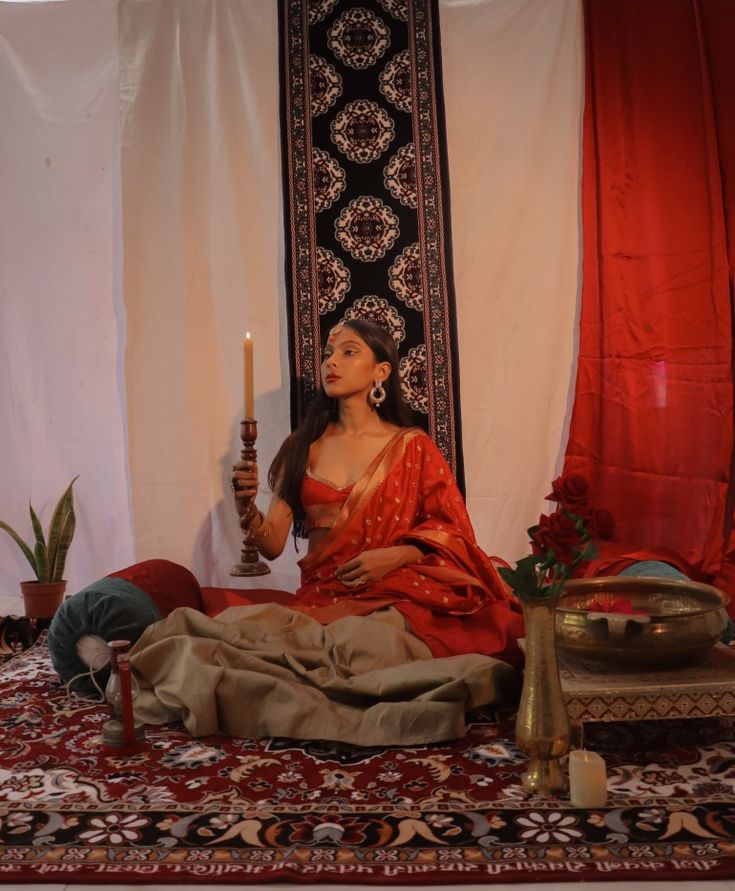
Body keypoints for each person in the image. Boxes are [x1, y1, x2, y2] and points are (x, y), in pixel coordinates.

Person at [232, 318, 524, 664]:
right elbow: (272, 544)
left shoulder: (413, 448)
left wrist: (398, 555)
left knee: (372, 641)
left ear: (381, 371)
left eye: (348, 352)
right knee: (247, 640)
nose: (331, 362)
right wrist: (246, 509)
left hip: (396, 591)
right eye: (328, 354)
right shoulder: (300, 447)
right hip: (324, 596)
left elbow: (453, 533)